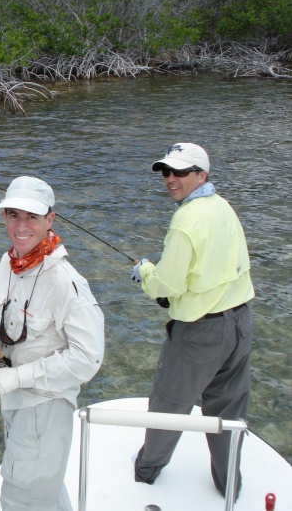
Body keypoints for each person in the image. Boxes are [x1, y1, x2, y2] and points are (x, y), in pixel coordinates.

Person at [130, 143, 255, 499]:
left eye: (180, 172)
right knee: (229, 408)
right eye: (166, 172)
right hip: (241, 322)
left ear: (202, 175)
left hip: (201, 332)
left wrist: (144, 273)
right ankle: (229, 482)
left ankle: (147, 469)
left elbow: (167, 285)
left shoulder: (186, 220)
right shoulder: (223, 207)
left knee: (170, 402)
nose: (171, 179)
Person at [0, 176, 105, 511]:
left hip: (45, 406)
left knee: (21, 498)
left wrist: (17, 378)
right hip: (14, 400)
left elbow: (88, 359)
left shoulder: (67, 282)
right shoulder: (8, 261)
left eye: (31, 217)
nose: (20, 226)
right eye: (12, 215)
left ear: (50, 219)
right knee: (41, 493)